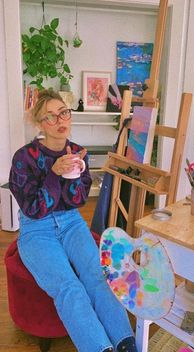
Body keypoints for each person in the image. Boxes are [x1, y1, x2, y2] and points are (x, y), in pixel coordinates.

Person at [9, 89, 137, 352]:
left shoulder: (78, 152)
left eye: (64, 113)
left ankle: (126, 343)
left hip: (71, 222)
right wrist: (54, 174)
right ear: (40, 124)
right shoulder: (24, 158)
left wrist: (75, 171)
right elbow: (33, 209)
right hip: (37, 229)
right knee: (70, 288)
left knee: (97, 277)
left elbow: (77, 201)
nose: (60, 121)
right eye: (51, 117)